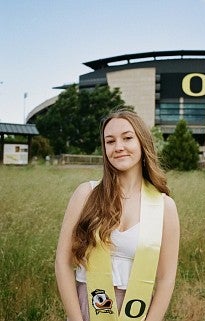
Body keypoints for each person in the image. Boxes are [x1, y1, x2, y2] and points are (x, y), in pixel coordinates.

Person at [55, 108, 180, 321]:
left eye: (127, 138)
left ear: (142, 143)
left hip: (136, 311)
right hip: (87, 307)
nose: (118, 147)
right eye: (110, 141)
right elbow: (62, 262)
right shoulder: (87, 194)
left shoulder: (164, 207)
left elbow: (166, 278)